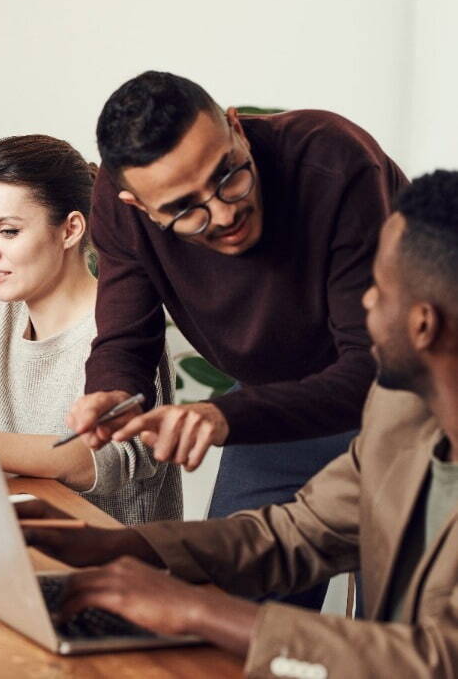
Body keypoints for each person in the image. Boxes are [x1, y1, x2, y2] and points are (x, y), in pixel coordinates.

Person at [20, 171, 458, 676]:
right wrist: (124, 545)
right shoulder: (399, 413)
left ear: (423, 323)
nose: (365, 302)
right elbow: (296, 532)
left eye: (379, 289)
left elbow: (437, 660)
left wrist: (198, 610)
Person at [66, 71, 407, 607]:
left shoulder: (334, 161)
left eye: (229, 175)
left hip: (404, 412)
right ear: (139, 205)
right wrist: (112, 390)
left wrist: (224, 417)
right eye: (183, 209)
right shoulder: (117, 203)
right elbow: (124, 340)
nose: (224, 213)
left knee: (395, 633)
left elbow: (373, 368)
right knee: (229, 612)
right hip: (275, 414)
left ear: (235, 128)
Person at [0, 134, 181, 525]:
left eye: (7, 231)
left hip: (117, 567)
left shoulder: (126, 328)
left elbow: (102, 460)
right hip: (19, 547)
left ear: (71, 230)